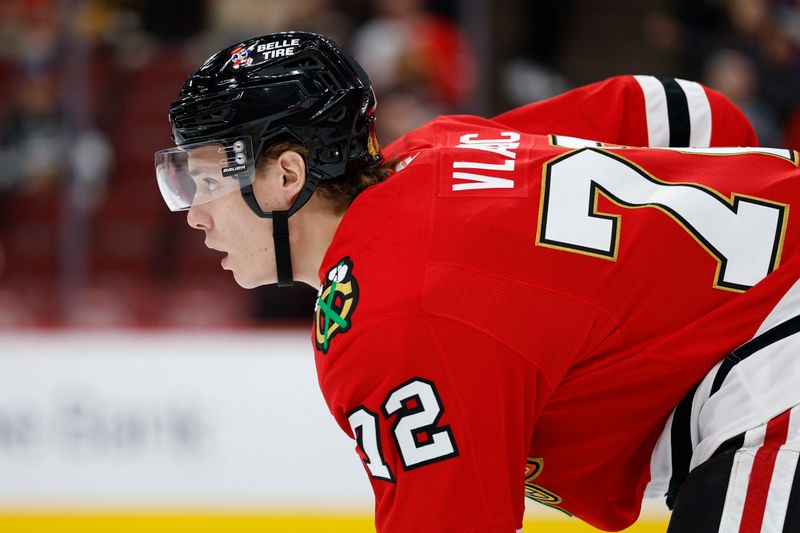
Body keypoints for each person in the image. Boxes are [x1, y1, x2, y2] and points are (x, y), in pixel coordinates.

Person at [154, 32, 800, 533]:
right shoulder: (435, 151)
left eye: (206, 182)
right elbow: (683, 113)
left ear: (288, 176)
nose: (195, 213)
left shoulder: (397, 316)